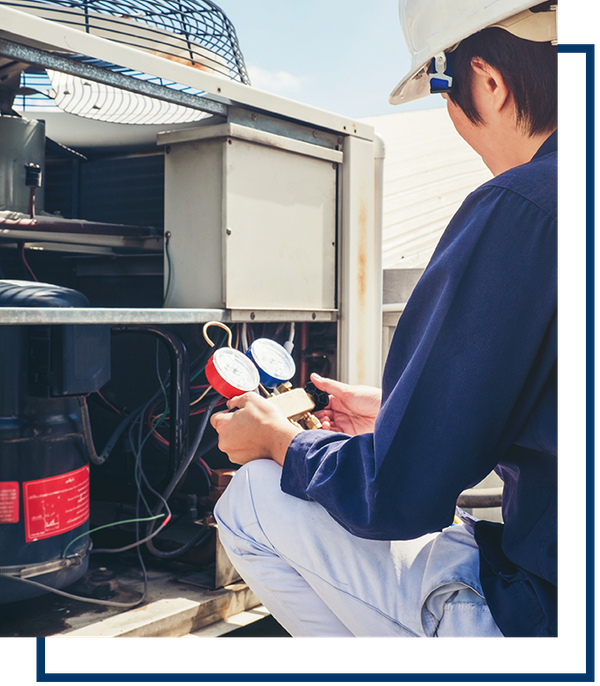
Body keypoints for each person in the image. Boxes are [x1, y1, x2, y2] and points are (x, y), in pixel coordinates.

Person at [210, 0, 559, 639]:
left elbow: (394, 496)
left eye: (444, 94)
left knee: (251, 501)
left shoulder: (522, 207)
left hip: (547, 617)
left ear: (486, 80)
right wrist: (408, 417)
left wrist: (278, 441)